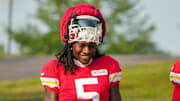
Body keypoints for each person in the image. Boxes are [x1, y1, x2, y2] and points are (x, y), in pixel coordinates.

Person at [40, 4, 122, 101]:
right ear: (71, 44)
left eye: (92, 46)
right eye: (82, 45)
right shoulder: (55, 69)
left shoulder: (109, 65)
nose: (87, 51)